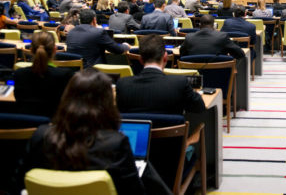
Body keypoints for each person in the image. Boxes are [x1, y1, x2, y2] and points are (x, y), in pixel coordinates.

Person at [15, 69, 172, 195]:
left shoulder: (41, 136)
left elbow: (18, 184)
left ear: (66, 99)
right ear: (108, 104)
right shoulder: (116, 144)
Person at [116, 35, 205, 115]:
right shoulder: (179, 83)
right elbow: (199, 108)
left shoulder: (123, 84)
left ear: (141, 60)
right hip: (172, 133)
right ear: (165, 57)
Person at [14, 31, 74, 117]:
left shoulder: (19, 74)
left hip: (23, 127)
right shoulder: (65, 75)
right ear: (55, 50)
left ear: (31, 50)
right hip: (53, 128)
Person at [180, 14, 245, 59]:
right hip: (219, 75)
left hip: (194, 75)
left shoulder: (189, 37)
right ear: (214, 25)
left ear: (199, 25)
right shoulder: (222, 36)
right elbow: (240, 54)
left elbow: (182, 54)